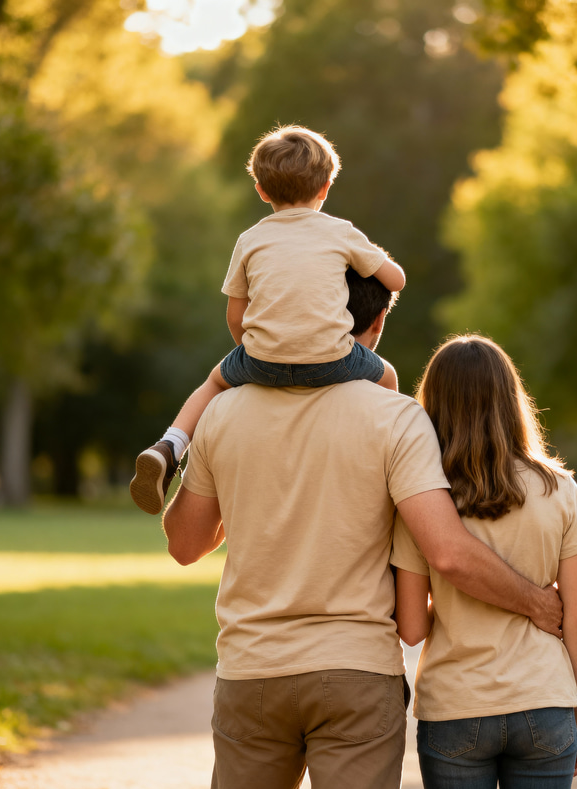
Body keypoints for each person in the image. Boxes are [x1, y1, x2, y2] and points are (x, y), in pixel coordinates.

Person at [161, 277, 564, 789]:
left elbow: (184, 544)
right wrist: (537, 602)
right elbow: (446, 550)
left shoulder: (223, 412)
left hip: (252, 669)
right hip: (356, 673)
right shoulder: (396, 418)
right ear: (376, 323)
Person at [130, 125, 406, 515]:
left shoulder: (250, 240)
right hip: (332, 358)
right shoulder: (341, 232)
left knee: (213, 382)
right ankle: (394, 463)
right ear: (327, 186)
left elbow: (236, 314)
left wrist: (251, 349)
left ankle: (169, 447)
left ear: (260, 189)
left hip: (262, 360)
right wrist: (367, 253)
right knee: (388, 377)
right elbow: (396, 280)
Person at [392, 334, 577, 789]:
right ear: (510, 400)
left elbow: (410, 627)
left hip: (455, 707)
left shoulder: (423, 502)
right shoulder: (560, 490)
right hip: (545, 702)